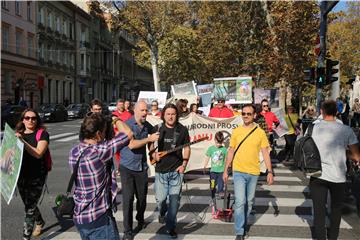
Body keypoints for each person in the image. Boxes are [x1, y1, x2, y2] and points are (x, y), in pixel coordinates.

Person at [69, 113, 133, 240]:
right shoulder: (99, 151)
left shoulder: (74, 151)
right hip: (98, 217)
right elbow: (128, 133)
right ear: (98, 134)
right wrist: (115, 119)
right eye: (104, 132)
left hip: (81, 216)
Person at [309, 100, 360, 240]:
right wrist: (345, 153)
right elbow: (356, 156)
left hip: (317, 174)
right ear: (337, 112)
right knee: (336, 210)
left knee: (319, 212)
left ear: (321, 111)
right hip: (338, 176)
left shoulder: (313, 128)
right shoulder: (346, 130)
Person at [223, 104, 274, 240]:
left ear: (254, 115)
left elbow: (265, 152)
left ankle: (243, 223)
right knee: (240, 201)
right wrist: (226, 170)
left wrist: (270, 171)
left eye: (248, 114)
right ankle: (239, 231)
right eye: (243, 114)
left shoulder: (260, 133)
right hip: (238, 171)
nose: (245, 116)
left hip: (253, 172)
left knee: (249, 202)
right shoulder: (237, 131)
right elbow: (231, 150)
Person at [119, 101, 160, 240]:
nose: (145, 113)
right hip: (127, 167)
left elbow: (152, 142)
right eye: (142, 110)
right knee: (128, 199)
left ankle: (140, 217)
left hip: (141, 167)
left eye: (146, 110)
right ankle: (128, 231)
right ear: (135, 110)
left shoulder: (147, 125)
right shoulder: (127, 125)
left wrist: (153, 152)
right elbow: (131, 145)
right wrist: (149, 138)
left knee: (142, 199)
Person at [149, 103, 191, 238]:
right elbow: (150, 146)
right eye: (168, 114)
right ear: (164, 115)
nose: (171, 116)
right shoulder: (158, 128)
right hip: (160, 171)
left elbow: (187, 148)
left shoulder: (183, 130)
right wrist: (153, 154)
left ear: (176, 115)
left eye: (173, 114)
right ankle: (162, 212)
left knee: (174, 201)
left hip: (176, 171)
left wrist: (184, 164)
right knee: (161, 200)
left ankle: (170, 226)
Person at [15, 109, 50, 240]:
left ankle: (25, 237)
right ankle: (40, 221)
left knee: (29, 209)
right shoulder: (18, 134)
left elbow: (38, 153)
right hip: (21, 176)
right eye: (27, 118)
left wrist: (22, 142)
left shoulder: (42, 134)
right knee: (29, 204)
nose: (31, 120)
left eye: (34, 118)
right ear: (22, 120)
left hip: (37, 176)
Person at [203, 131, 227, 199]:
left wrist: (227, 168)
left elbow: (226, 159)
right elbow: (207, 157)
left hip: (221, 171)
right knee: (212, 186)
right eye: (217, 142)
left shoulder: (224, 149)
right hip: (213, 171)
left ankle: (220, 194)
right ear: (214, 140)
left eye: (220, 143)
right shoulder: (211, 149)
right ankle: (212, 198)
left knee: (221, 184)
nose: (219, 144)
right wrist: (205, 166)